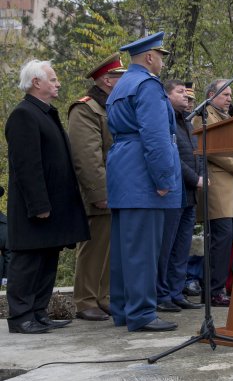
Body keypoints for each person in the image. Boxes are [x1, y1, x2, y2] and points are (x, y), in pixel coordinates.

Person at [5, 59, 90, 333]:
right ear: (36, 83)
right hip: (36, 207)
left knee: (47, 260)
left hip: (54, 206)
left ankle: (39, 312)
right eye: (52, 79)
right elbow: (27, 166)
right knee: (28, 262)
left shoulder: (44, 112)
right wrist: (39, 204)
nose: (58, 83)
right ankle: (20, 317)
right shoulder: (23, 115)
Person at [107, 32, 182, 331]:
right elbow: (155, 137)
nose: (162, 61)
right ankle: (141, 313)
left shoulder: (121, 84)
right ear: (150, 57)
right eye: (160, 55)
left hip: (123, 170)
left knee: (125, 248)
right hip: (143, 174)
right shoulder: (148, 85)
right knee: (143, 248)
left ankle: (123, 310)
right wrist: (164, 178)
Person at [67, 52, 125, 322]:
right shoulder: (85, 109)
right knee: (93, 247)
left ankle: (102, 297)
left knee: (108, 248)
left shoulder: (111, 106)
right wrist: (100, 193)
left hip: (117, 188)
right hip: (99, 191)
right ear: (107, 80)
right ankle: (85, 300)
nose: (123, 81)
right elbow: (86, 157)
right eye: (118, 76)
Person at [155, 79, 204, 312]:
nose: (186, 96)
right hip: (175, 192)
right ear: (167, 95)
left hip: (190, 195)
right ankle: (161, 293)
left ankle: (176, 292)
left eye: (187, 93)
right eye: (180, 92)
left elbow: (197, 154)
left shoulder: (188, 122)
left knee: (182, 247)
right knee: (167, 246)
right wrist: (195, 179)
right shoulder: (165, 120)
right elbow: (173, 156)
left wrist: (200, 176)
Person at [192, 79, 233, 306]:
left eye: (230, 95)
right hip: (216, 185)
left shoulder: (226, 116)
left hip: (230, 188)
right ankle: (213, 291)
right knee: (221, 237)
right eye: (224, 94)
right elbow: (212, 150)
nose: (229, 98)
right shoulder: (204, 115)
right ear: (211, 94)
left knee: (228, 238)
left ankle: (221, 288)